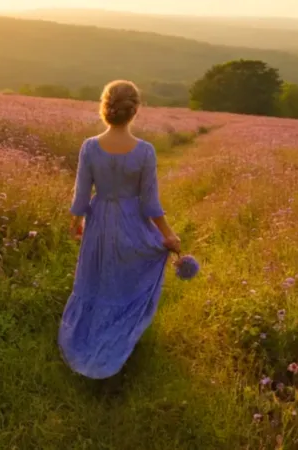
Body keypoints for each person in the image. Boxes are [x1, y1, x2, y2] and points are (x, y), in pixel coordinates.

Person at [58, 80, 182, 379]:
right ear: (135, 110)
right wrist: (168, 235)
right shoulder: (145, 152)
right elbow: (150, 204)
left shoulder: (90, 147)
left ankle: (87, 336)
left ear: (105, 108)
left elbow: (81, 196)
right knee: (125, 281)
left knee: (96, 280)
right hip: (131, 222)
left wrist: (76, 224)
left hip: (99, 222)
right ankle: (117, 336)